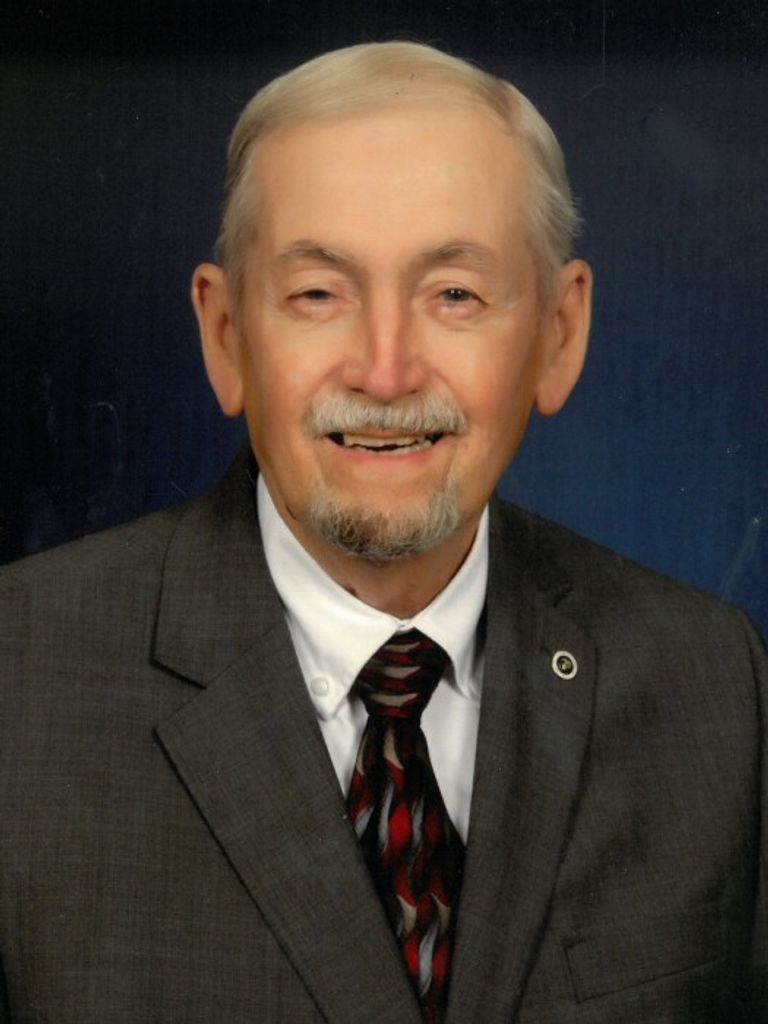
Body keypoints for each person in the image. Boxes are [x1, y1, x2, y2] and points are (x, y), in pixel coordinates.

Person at [0, 41, 765, 1024]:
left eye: (455, 294)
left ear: (558, 334)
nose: (386, 371)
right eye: (318, 294)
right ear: (227, 336)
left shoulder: (716, 684)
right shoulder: (20, 683)